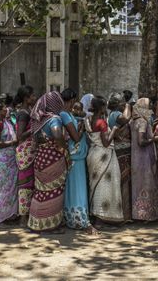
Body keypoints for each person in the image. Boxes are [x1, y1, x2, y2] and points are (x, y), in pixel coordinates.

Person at [28, 91, 68, 232]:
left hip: (40, 158)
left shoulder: (39, 120)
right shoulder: (54, 119)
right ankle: (50, 225)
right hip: (53, 159)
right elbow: (57, 133)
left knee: (40, 191)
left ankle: (36, 222)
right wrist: (64, 146)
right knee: (54, 191)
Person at [60, 88, 96, 233]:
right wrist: (81, 128)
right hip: (74, 157)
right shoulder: (65, 115)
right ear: (72, 100)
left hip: (77, 156)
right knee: (77, 189)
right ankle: (81, 220)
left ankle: (73, 218)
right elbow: (75, 137)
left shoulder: (68, 114)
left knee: (75, 188)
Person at [86, 96, 123, 225]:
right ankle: (101, 217)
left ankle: (96, 215)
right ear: (101, 107)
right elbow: (106, 143)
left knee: (95, 186)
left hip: (93, 153)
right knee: (104, 186)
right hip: (104, 154)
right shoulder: (102, 122)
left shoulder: (89, 119)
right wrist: (114, 130)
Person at [130, 97, 158, 221]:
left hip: (136, 157)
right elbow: (141, 141)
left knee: (138, 185)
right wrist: (154, 139)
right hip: (144, 158)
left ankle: (138, 213)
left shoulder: (133, 121)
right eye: (148, 107)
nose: (150, 109)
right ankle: (145, 214)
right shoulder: (142, 122)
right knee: (146, 184)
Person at [0, 102, 18, 226]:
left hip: (9, 160)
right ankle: (0, 218)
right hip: (1, 161)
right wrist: (12, 142)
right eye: (3, 108)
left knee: (9, 189)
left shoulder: (7, 122)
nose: (6, 109)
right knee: (1, 189)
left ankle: (9, 215)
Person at [14, 85, 37, 227]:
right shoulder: (23, 113)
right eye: (32, 96)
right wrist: (34, 129)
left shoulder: (29, 111)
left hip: (30, 150)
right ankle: (23, 216)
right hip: (25, 151)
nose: (34, 98)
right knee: (25, 184)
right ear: (26, 98)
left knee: (31, 184)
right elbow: (19, 136)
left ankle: (28, 214)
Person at [108, 94, 133, 222]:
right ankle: (125, 214)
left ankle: (125, 213)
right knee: (124, 182)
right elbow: (126, 119)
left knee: (125, 182)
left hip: (122, 151)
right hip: (121, 152)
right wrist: (128, 106)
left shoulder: (113, 114)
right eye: (122, 102)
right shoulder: (115, 114)